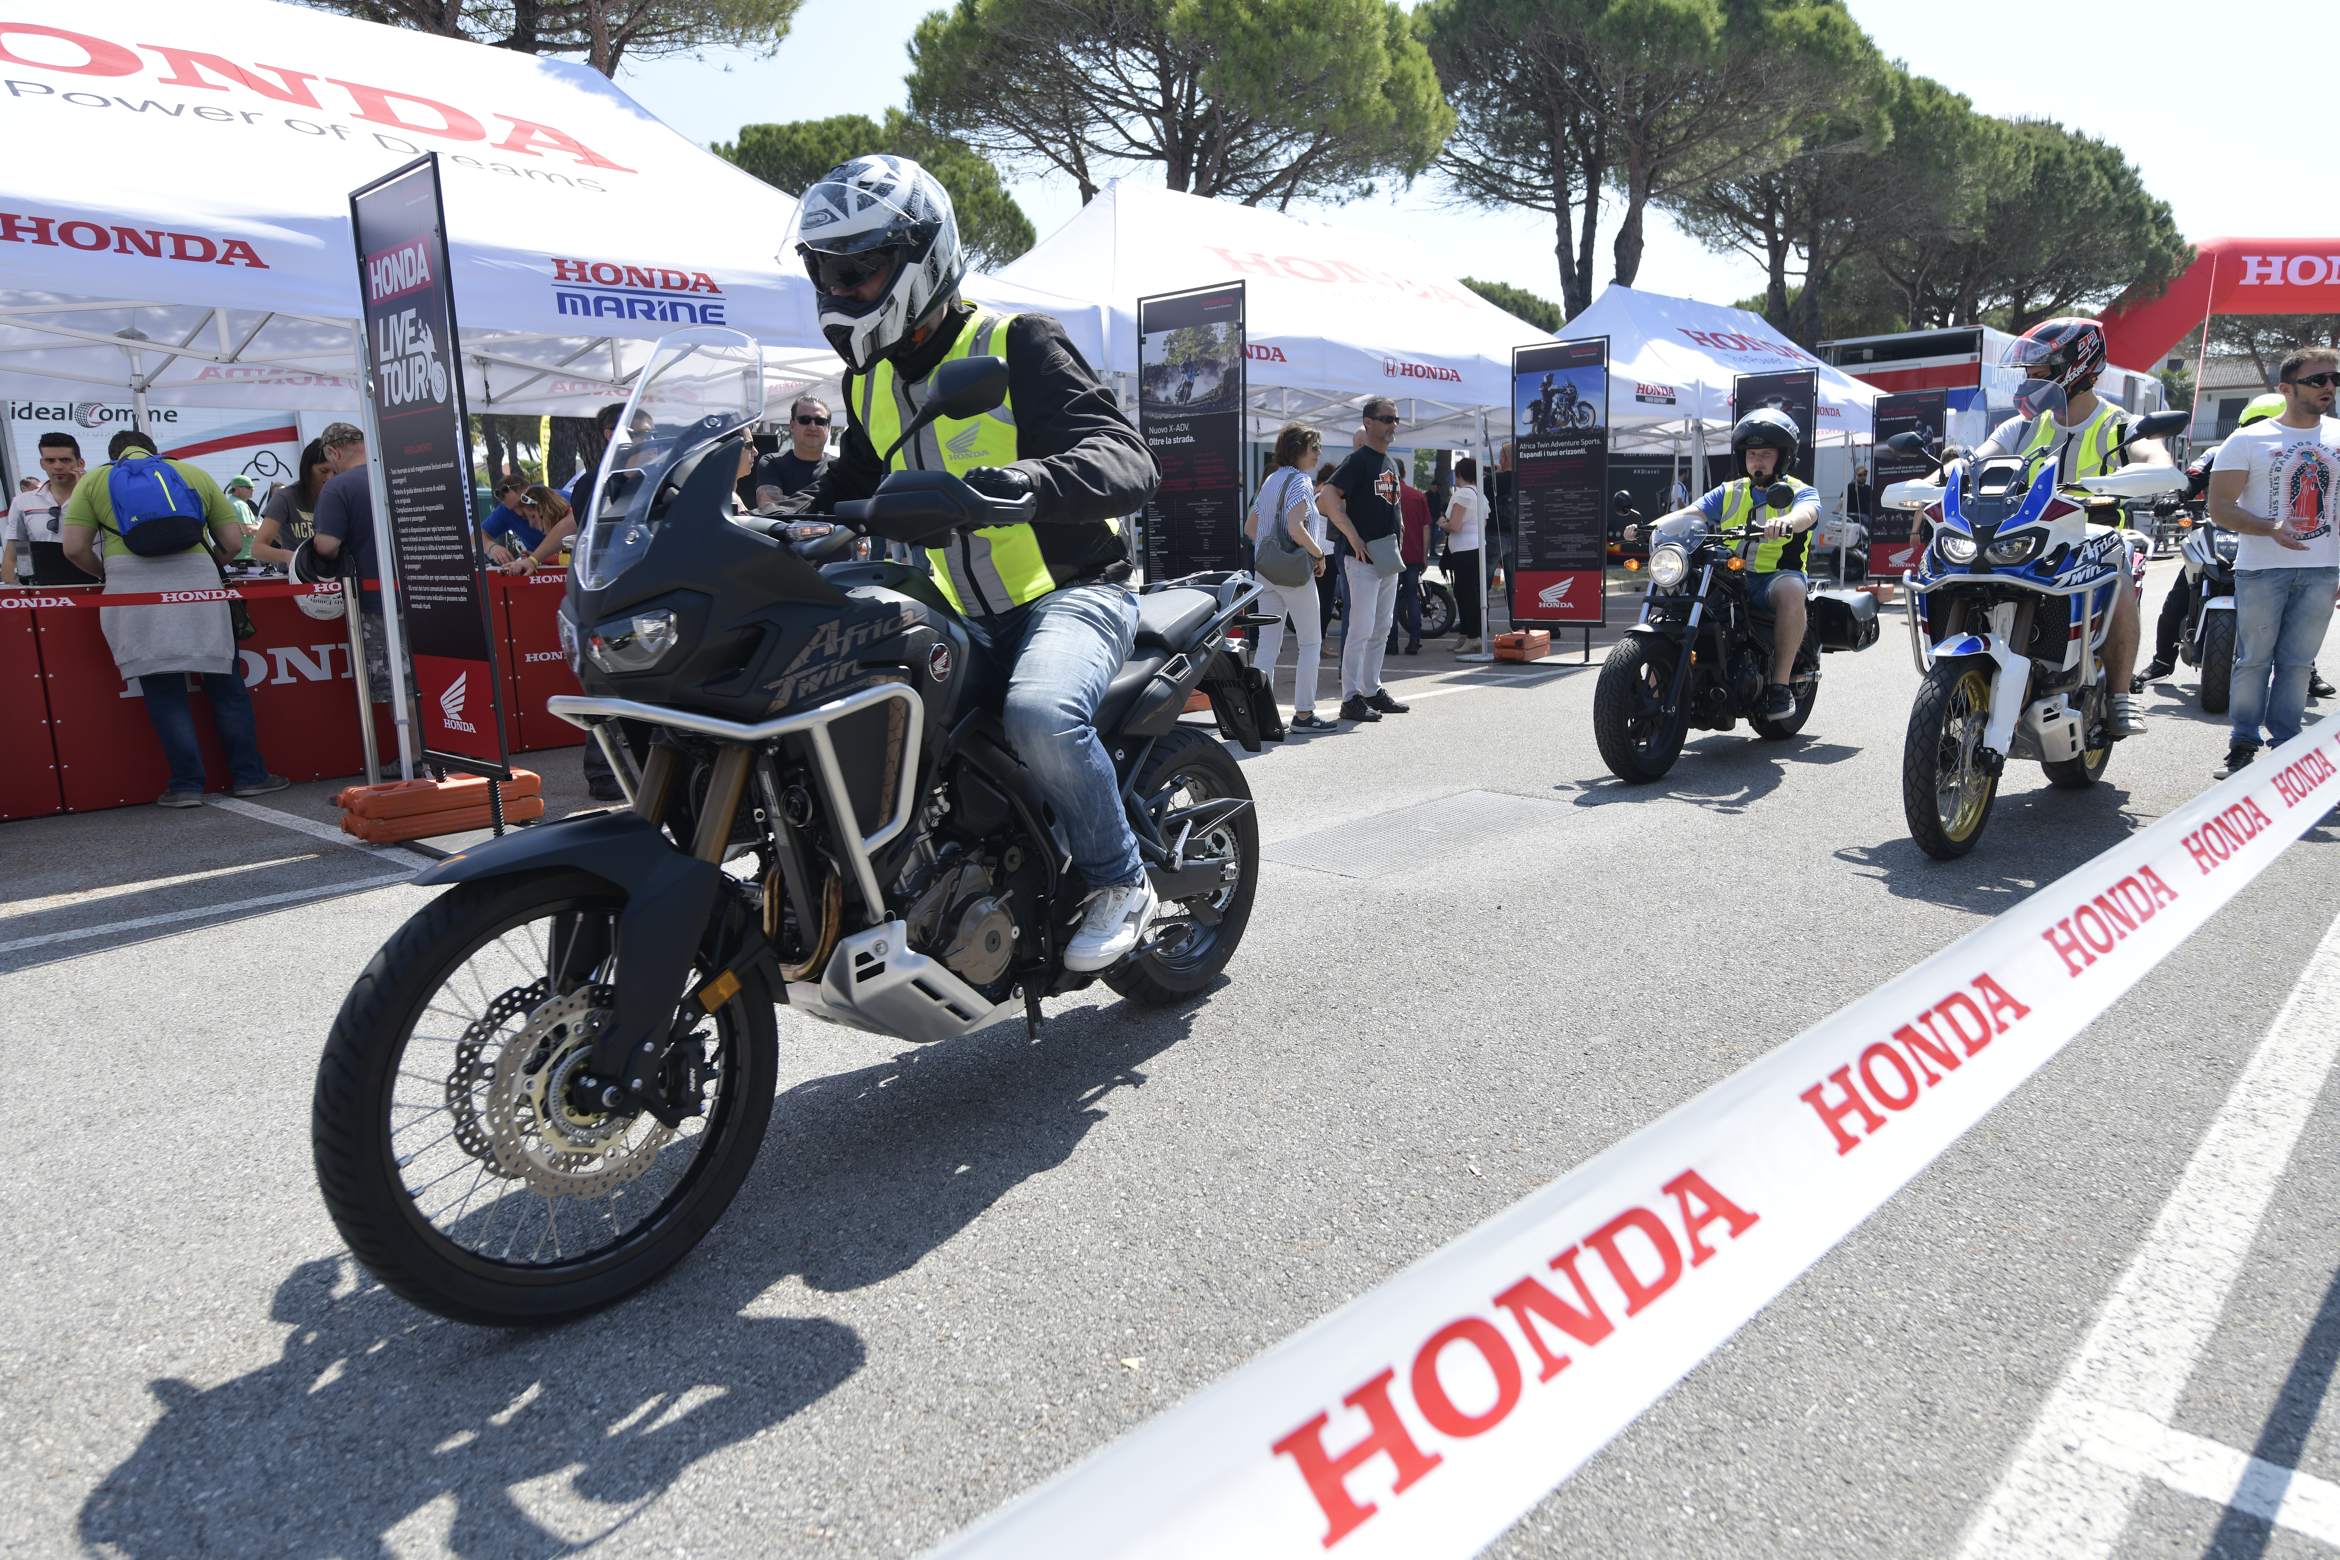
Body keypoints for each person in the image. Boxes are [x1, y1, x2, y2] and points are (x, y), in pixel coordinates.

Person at [782, 152, 1161, 971]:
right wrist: (765, 523)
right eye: (826, 273)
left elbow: (1127, 458)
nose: (840, 291)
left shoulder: (1017, 342)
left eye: (857, 271)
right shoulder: (868, 382)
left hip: (1071, 595)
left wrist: (1027, 484)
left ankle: (1119, 878)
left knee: (1040, 714)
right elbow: (847, 485)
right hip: (959, 611)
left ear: (920, 258)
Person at [59, 428, 287, 805]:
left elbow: (73, 549)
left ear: (114, 456)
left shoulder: (95, 480)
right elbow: (232, 542)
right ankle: (250, 776)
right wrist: (208, 567)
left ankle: (185, 786)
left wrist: (106, 574)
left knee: (164, 691)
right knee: (226, 685)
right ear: (155, 452)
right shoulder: (192, 473)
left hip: (133, 590)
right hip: (200, 585)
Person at [1966, 317, 2163, 737]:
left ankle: (2121, 695)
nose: (2029, 380)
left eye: (2039, 371)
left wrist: (2155, 469)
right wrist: (1939, 478)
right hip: (2031, 535)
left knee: (2117, 569)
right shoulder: (2022, 426)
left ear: (2076, 368)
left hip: (2096, 536)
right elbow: (1977, 459)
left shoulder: (2119, 426)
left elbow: (2153, 454)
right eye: (2028, 371)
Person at [2206, 346, 2340, 777]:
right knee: (2253, 661)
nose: (2329, 387)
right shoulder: (2247, 439)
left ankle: (2286, 750)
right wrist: (2270, 528)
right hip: (2262, 569)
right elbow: (2220, 508)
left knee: (2298, 665)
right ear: (2286, 388)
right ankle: (2243, 743)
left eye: (2335, 379)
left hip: (2323, 570)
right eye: (2317, 380)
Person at [1640, 408, 1820, 718]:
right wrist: (1649, 526)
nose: (1757, 461)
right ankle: (1655, 692)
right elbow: (1690, 513)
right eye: (1752, 454)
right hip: (1731, 575)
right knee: (1679, 598)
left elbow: (1808, 514)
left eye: (1765, 454)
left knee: (1793, 591)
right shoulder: (1730, 491)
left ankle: (1779, 687)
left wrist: (1787, 522)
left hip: (1775, 578)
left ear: (1783, 457)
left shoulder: (1800, 492)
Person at [1318, 400, 1410, 725]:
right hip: (1362, 558)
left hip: (1385, 554)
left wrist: (1400, 527)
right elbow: (1327, 497)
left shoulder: (1389, 462)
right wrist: (1352, 535)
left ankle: (1371, 688)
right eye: (1386, 418)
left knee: (1382, 626)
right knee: (1361, 627)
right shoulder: (1357, 460)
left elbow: (1393, 503)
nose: (1393, 424)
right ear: (1368, 422)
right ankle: (1350, 697)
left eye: (1396, 419)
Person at [1245, 423, 1335, 730]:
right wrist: (1318, 554)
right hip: (1294, 574)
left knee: (1268, 644)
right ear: (1298, 450)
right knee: (1310, 642)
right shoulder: (1301, 481)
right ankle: (1304, 714)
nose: (1318, 453)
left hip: (1265, 571)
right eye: (1314, 447)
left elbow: (1250, 528)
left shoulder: (1271, 479)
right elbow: (1296, 528)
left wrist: (1272, 550)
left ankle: (1260, 717)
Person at [4, 430, 87, 586]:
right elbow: (13, 554)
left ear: (80, 463)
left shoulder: (96, 498)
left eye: (65, 460)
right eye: (50, 460)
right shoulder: (22, 502)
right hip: (43, 589)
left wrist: (86, 491)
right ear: (42, 464)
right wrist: (18, 590)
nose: (58, 466)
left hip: (92, 586)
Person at [251, 438, 335, 569]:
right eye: (323, 471)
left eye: (335, 472)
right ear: (307, 469)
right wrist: (289, 557)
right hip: (296, 575)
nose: (330, 478)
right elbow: (257, 549)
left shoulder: (340, 496)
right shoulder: (285, 497)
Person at [1441, 455, 1488, 652]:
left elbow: (1455, 526)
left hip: (1464, 550)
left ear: (1459, 474)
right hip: (1477, 548)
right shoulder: (1480, 495)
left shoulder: (1462, 495)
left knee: (1465, 594)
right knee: (1470, 593)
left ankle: (1472, 636)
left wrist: (1442, 523)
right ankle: (1468, 634)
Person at [754, 395, 833, 509]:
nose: (812, 427)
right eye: (805, 420)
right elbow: (770, 509)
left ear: (829, 427)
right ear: (792, 425)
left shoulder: (838, 467)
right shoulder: (772, 463)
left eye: (820, 421)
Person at [1389, 472, 1431, 657]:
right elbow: (1426, 527)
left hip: (1391, 555)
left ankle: (1391, 642)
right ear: (1404, 473)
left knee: (1390, 599)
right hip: (1413, 555)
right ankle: (1415, 639)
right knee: (1412, 596)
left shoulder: (1387, 496)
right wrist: (1424, 555)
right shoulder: (1418, 496)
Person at [500, 485, 575, 572]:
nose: (531, 524)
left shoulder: (575, 519)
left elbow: (572, 559)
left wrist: (533, 559)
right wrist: (541, 558)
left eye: (532, 516)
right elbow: (568, 556)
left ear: (543, 509)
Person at [479, 476, 540, 565]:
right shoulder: (505, 511)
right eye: (512, 509)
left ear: (529, 491)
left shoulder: (555, 498)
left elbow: (561, 528)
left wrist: (536, 557)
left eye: (520, 504)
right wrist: (491, 547)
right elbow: (476, 536)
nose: (519, 513)